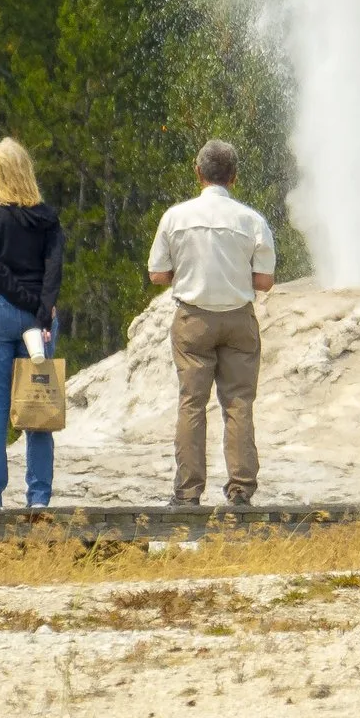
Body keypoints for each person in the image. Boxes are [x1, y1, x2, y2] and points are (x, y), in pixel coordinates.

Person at [146, 139, 276, 506]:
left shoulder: (176, 217)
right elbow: (265, 281)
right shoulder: (252, 220)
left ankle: (187, 493)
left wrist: (188, 271)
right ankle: (240, 489)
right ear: (234, 177)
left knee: (192, 403)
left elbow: (157, 273)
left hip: (193, 318)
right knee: (238, 403)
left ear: (197, 171)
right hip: (238, 319)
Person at [0, 137, 65, 509]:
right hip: (37, 318)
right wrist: (41, 308)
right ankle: (38, 497)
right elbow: (54, 267)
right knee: (38, 402)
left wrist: (22, 301)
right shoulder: (46, 216)